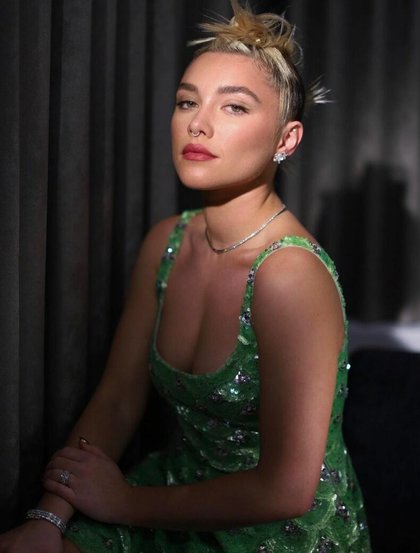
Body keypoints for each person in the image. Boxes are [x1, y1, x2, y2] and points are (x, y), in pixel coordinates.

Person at [0, 1, 370, 551]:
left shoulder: (290, 275)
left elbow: (286, 490)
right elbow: (118, 398)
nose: (198, 123)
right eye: (187, 102)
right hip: (175, 488)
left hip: (276, 532)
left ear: (286, 140)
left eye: (235, 107)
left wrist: (122, 503)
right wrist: (47, 519)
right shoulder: (167, 242)